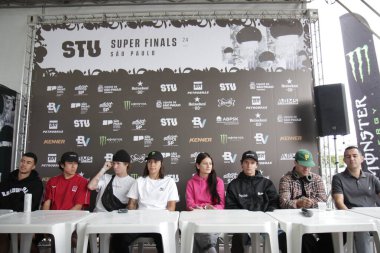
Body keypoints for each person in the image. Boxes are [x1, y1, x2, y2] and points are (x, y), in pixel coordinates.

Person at [109, 151, 179, 253]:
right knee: (117, 240)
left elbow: (171, 208)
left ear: (161, 164)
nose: (152, 165)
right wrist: (130, 216)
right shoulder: (140, 181)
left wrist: (162, 221)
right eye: (150, 162)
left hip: (159, 224)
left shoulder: (169, 182)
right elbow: (131, 204)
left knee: (165, 244)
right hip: (140, 222)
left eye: (155, 162)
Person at [225, 150, 280, 253]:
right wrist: (245, 218)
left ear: (257, 165)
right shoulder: (233, 185)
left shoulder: (266, 183)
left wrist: (266, 217)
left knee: (281, 237)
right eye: (246, 162)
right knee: (238, 237)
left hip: (265, 222)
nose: (249, 165)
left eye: (252, 163)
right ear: (241, 164)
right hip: (243, 224)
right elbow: (230, 207)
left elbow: (274, 203)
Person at [279, 148, 333, 253]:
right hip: (295, 222)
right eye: (303, 164)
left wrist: (311, 202)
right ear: (295, 163)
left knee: (336, 234)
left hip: (317, 221)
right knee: (305, 240)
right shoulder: (286, 179)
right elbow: (283, 202)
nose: (307, 168)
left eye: (309, 165)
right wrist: (298, 203)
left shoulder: (317, 178)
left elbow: (323, 200)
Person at [332, 146, 380, 253]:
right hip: (352, 218)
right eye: (348, 157)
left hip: (373, 217)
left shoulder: (371, 178)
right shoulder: (338, 178)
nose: (352, 159)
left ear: (362, 158)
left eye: (355, 156)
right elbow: (339, 202)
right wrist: (352, 217)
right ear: (344, 160)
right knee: (361, 229)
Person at [87, 149, 135, 252]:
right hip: (98, 217)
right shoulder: (106, 177)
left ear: (126, 164)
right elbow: (91, 186)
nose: (115, 166)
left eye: (118, 163)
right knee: (86, 238)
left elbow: (132, 206)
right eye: (114, 163)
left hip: (117, 220)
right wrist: (103, 169)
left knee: (118, 242)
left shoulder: (133, 182)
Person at [0, 152, 43, 253]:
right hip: (4, 218)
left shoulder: (36, 183)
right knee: (1, 235)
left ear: (33, 166)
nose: (24, 164)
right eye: (22, 161)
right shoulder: (7, 180)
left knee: (23, 239)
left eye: (28, 162)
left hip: (25, 221)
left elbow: (32, 206)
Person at [186, 152, 225, 253]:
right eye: (205, 163)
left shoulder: (218, 181)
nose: (208, 166)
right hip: (197, 217)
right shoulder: (191, 182)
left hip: (214, 217)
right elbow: (190, 204)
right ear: (198, 165)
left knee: (199, 233)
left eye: (210, 163)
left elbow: (221, 205)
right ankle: (210, 249)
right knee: (200, 229)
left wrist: (210, 208)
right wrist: (206, 207)